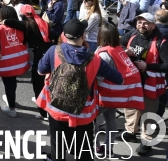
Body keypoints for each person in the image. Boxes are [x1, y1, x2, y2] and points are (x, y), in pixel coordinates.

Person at [36, 19, 123, 161]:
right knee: (84, 152)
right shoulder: (95, 59)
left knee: (57, 148)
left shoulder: (53, 51)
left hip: (57, 110)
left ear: (64, 35)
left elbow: (40, 71)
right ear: (83, 36)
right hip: (83, 114)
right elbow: (118, 79)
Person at [120, 12, 168, 156]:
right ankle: (130, 131)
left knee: (149, 113)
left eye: (146, 23)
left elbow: (167, 65)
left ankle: (147, 141)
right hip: (133, 81)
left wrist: (147, 66)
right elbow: (120, 45)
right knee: (130, 108)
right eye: (139, 22)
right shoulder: (132, 35)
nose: (142, 25)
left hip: (151, 83)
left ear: (153, 25)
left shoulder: (162, 41)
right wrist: (125, 51)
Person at [94, 23, 144, 158]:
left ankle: (96, 146)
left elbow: (98, 75)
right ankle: (109, 147)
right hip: (114, 94)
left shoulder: (104, 54)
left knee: (92, 120)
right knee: (111, 120)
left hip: (105, 94)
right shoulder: (118, 49)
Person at [0, 6, 29, 118]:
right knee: (13, 83)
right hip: (20, 62)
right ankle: (10, 99)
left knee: (8, 84)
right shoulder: (21, 27)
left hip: (6, 64)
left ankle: (11, 108)